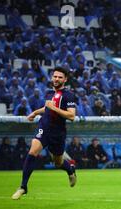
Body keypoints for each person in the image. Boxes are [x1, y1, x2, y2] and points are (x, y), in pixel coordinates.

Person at [11, 67, 77, 200]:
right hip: (44, 128)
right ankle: (23, 187)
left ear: (65, 79)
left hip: (58, 133)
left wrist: (54, 108)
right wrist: (35, 112)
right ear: (52, 77)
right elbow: (47, 108)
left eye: (60, 77)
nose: (56, 79)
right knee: (33, 151)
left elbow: (71, 115)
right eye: (55, 76)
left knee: (58, 162)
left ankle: (70, 169)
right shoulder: (48, 93)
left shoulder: (68, 95)